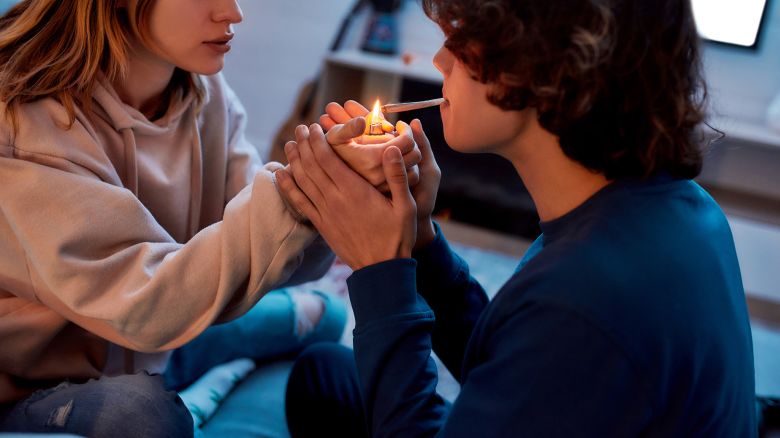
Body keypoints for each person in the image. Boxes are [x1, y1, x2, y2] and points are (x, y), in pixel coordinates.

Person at [278, 0, 757, 436]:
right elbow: (526, 358)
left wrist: (380, 270)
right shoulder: (675, 205)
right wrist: (420, 240)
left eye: (464, 36)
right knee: (325, 374)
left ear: (548, 61)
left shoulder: (586, 299)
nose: (440, 60)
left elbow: (558, 333)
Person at [0, 0, 421, 436]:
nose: (233, 14)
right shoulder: (19, 127)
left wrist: (336, 187)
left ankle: (184, 359)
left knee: (329, 316)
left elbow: (272, 252)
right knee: (144, 416)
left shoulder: (205, 92)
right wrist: (298, 193)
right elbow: (145, 305)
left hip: (155, 342)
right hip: (31, 378)